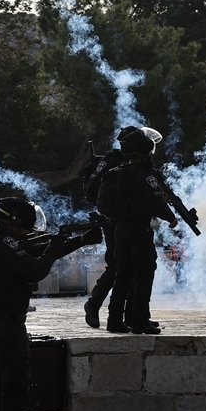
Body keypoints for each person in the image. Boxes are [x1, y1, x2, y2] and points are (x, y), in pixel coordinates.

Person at [0, 196, 99, 411]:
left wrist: (80, 240)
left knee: (2, 382)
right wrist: (53, 249)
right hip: (7, 321)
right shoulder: (5, 243)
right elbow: (35, 269)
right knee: (15, 384)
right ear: (18, 221)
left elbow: (43, 251)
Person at [97, 127, 178, 335]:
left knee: (123, 275)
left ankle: (114, 320)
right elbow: (157, 202)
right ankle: (139, 320)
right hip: (138, 230)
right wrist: (171, 218)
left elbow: (103, 205)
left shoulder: (115, 174)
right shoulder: (146, 175)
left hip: (120, 229)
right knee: (144, 273)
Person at [81, 136, 127, 331]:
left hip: (130, 222)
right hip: (113, 221)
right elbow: (94, 191)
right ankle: (94, 304)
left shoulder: (134, 163)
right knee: (117, 266)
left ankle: (132, 315)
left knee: (130, 267)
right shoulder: (112, 161)